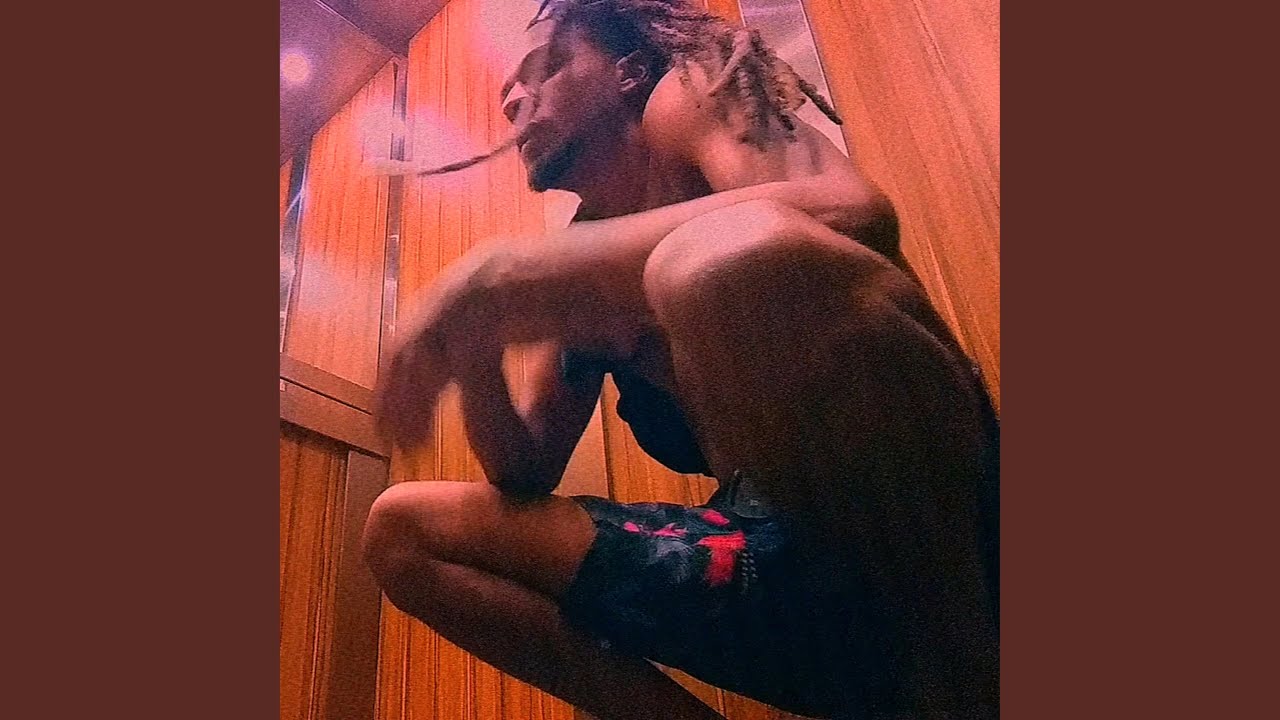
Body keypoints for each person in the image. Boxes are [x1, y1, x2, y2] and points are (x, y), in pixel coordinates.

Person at [362, 1, 999, 718]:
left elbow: (851, 213)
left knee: (711, 261)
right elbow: (525, 473)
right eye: (509, 86)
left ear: (630, 72)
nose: (512, 99)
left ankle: (962, 689)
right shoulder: (580, 255)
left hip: (950, 515)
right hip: (771, 551)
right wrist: (475, 349)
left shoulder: (691, 94)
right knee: (403, 530)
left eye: (548, 66)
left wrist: (506, 274)